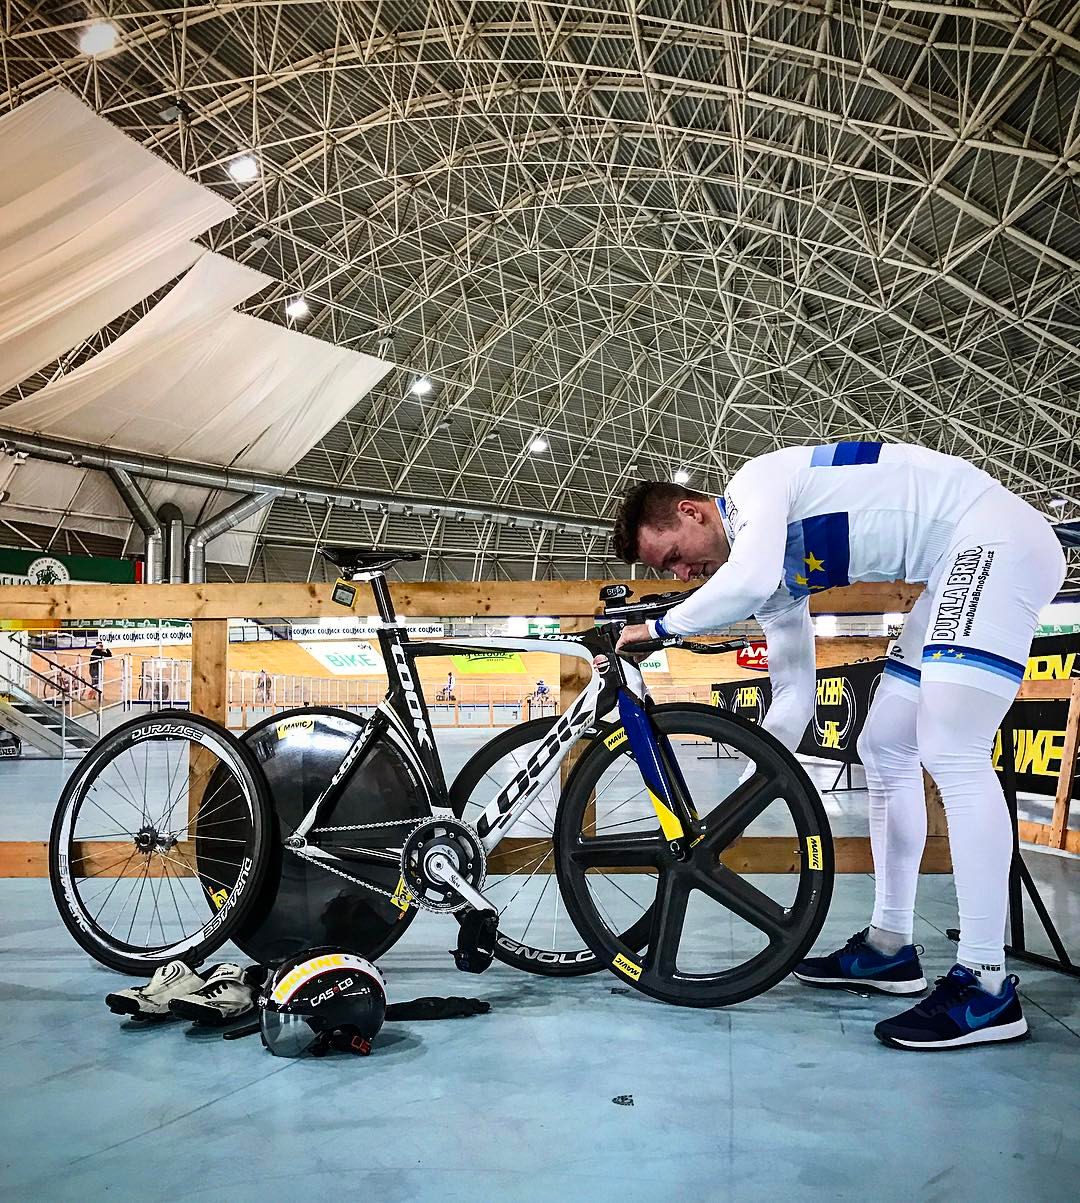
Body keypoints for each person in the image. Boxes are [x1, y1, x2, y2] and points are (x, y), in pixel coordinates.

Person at [612, 442, 1065, 1051]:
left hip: (996, 541)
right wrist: (736, 809)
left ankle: (986, 989)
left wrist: (658, 629)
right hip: (956, 562)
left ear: (695, 513)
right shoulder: (770, 577)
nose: (680, 576)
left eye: (673, 558)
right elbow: (793, 698)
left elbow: (740, 584)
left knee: (952, 747)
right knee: (885, 746)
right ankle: (890, 946)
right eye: (668, 575)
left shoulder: (753, 488)